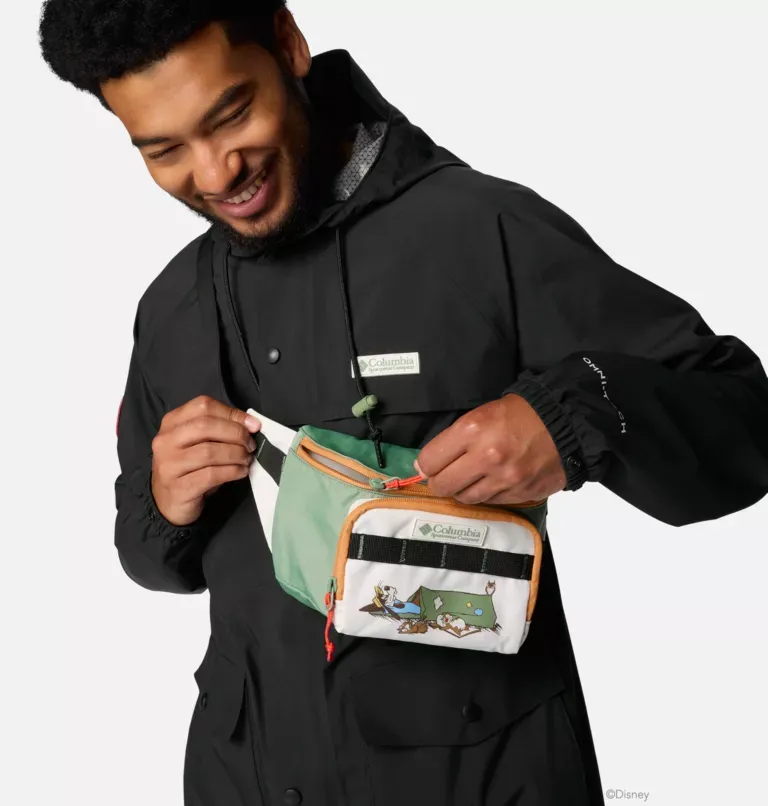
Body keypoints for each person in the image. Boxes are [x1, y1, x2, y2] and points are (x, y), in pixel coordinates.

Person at [38, 2, 768, 805]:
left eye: (232, 114)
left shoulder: (479, 231)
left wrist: (572, 418)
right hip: (240, 777)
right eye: (165, 150)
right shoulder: (169, 308)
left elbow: (742, 414)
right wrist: (163, 502)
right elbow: (148, 560)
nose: (214, 175)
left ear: (286, 42)